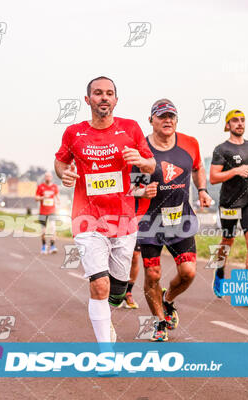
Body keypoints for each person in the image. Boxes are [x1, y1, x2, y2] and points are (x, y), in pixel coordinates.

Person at [54, 76, 155, 344]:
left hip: (123, 221)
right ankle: (105, 352)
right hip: (87, 220)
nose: (104, 97)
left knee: (117, 291)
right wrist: (65, 174)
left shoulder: (131, 129)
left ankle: (107, 317)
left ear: (116, 100)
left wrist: (142, 161)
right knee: (99, 285)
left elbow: (151, 165)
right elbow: (60, 162)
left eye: (109, 93)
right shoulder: (74, 133)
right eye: (98, 93)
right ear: (88, 100)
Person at [135, 99, 211, 341]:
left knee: (188, 272)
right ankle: (158, 322)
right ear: (151, 120)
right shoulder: (140, 149)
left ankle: (167, 301)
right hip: (148, 221)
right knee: (153, 274)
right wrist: (140, 191)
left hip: (180, 218)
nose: (167, 120)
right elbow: (127, 186)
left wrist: (202, 190)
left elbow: (199, 167)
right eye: (162, 116)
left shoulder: (190, 143)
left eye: (172, 116)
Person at [210, 109, 248, 298]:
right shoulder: (222, 149)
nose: (240, 123)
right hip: (229, 203)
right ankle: (219, 272)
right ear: (228, 125)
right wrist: (235, 171)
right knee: (228, 241)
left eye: (242, 120)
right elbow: (213, 178)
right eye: (235, 120)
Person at [35, 171, 60, 254]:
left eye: (49, 176)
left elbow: (57, 196)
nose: (48, 178)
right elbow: (36, 198)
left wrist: (58, 202)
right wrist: (43, 197)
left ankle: (52, 246)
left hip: (52, 211)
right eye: (46, 176)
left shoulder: (54, 187)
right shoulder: (40, 187)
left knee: (53, 228)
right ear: (44, 178)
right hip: (43, 212)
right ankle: (44, 246)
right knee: (43, 231)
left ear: (51, 177)